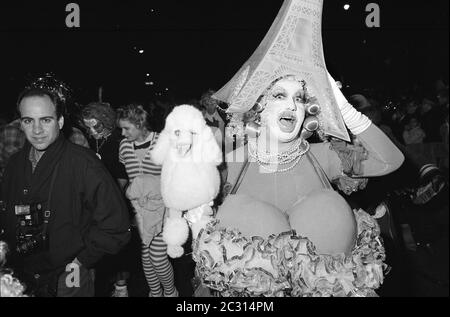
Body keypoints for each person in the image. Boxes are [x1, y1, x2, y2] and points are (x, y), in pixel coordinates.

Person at [191, 0, 404, 297]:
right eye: (280, 95)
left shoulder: (325, 158)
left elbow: (392, 160)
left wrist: (345, 111)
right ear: (257, 108)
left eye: (301, 98)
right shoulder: (228, 164)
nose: (293, 105)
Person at [0, 77, 131, 297]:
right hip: (22, 275)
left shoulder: (84, 163)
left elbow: (117, 227)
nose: (37, 129)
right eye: (28, 121)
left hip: (68, 275)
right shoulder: (14, 164)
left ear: (60, 121)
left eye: (46, 120)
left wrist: (82, 260)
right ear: (20, 123)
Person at [117, 104, 178, 297]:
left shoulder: (162, 142)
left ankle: (170, 292)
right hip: (138, 210)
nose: (123, 133)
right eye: (121, 128)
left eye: (127, 128)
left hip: (162, 210)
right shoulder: (124, 146)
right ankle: (155, 293)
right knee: (146, 257)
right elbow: (125, 178)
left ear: (140, 124)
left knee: (158, 257)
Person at [80, 102, 133, 297]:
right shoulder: (88, 140)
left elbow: (122, 179)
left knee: (115, 247)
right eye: (88, 126)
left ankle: (121, 288)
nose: (92, 131)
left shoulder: (119, 142)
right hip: (93, 203)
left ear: (107, 122)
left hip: (114, 201)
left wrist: (110, 203)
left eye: (97, 126)